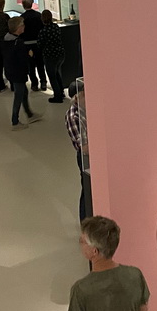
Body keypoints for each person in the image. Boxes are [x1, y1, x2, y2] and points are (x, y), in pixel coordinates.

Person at [2, 17, 42, 129]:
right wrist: (29, 54)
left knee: (24, 92)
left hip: (10, 71)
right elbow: (22, 59)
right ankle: (15, 121)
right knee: (19, 95)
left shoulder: (6, 40)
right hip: (18, 73)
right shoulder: (18, 43)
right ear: (18, 27)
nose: (24, 26)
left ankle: (29, 114)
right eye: (22, 25)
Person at [66, 82, 89, 219]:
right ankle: (85, 224)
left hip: (94, 154)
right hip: (85, 158)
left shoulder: (88, 107)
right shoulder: (72, 116)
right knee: (87, 191)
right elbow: (84, 148)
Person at [20, 0, 48, 91]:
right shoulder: (38, 15)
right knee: (40, 63)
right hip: (38, 43)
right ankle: (43, 82)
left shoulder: (22, 18)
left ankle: (34, 84)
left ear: (23, 5)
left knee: (30, 65)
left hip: (27, 44)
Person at [39, 9, 66, 102]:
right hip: (60, 54)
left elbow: (40, 44)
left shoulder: (43, 31)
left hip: (50, 56)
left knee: (52, 76)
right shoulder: (56, 27)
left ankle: (57, 96)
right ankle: (61, 92)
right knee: (57, 73)